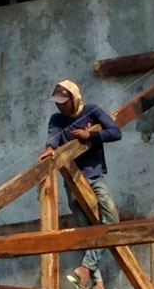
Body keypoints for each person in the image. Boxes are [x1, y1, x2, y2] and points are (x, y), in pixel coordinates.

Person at [45, 79, 125, 225]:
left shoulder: (91, 111)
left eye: (64, 102)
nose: (60, 106)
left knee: (110, 217)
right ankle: (92, 248)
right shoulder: (57, 119)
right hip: (72, 179)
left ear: (74, 99)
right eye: (57, 102)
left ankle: (100, 248)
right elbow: (53, 136)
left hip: (94, 174)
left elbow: (115, 133)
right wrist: (50, 148)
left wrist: (90, 135)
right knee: (83, 224)